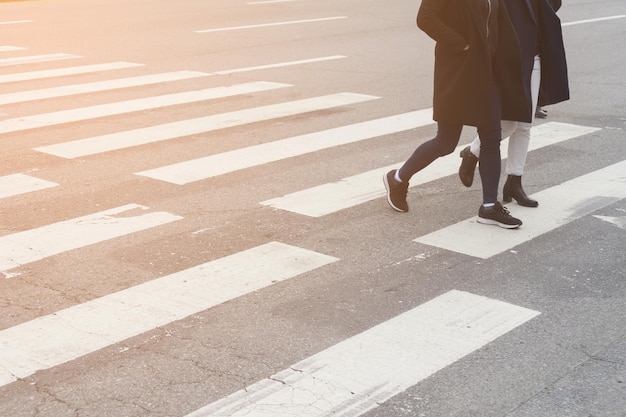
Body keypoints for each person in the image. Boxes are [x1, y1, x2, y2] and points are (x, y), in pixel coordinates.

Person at [384, 0, 531, 229]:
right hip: (458, 72)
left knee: (491, 138)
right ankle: (397, 179)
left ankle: (489, 207)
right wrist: (462, 45)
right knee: (446, 142)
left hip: (487, 72)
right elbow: (426, 18)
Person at [458, 0, 569, 207]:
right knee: (509, 122)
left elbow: (553, 5)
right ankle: (472, 152)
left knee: (525, 125)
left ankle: (514, 182)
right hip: (510, 59)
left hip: (536, 56)